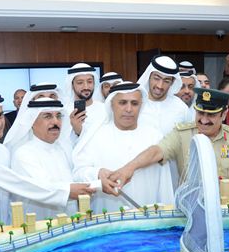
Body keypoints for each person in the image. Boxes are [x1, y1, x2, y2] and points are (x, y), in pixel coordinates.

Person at [0, 92, 79, 223]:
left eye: (0, 115)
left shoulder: (3, 151)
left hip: (3, 225)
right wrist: (66, 192)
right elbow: (14, 182)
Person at [109, 87, 229, 194]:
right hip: (189, 207)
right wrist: (128, 169)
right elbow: (157, 151)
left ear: (223, 115)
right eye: (200, 113)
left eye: (211, 115)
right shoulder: (183, 134)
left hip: (223, 208)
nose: (204, 120)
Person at [73, 82, 174, 213]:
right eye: (122, 103)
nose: (129, 109)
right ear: (111, 105)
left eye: (134, 103)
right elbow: (78, 173)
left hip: (148, 217)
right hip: (107, 217)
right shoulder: (95, 136)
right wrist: (97, 173)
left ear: (141, 106)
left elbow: (165, 182)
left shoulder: (154, 136)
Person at [10, 97, 94, 217]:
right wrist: (70, 191)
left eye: (58, 116)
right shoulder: (23, 153)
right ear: (32, 122)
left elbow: (78, 176)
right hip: (40, 224)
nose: (56, 122)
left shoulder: (64, 149)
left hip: (70, 221)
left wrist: (98, 180)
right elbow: (43, 188)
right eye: (47, 116)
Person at [137, 56, 191, 135]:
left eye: (166, 81)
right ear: (149, 76)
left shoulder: (182, 108)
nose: (160, 86)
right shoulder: (135, 105)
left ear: (172, 82)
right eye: (156, 78)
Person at [63, 63, 107, 146]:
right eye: (80, 83)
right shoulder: (64, 112)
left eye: (89, 82)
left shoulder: (105, 109)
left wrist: (80, 131)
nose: (86, 87)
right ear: (72, 85)